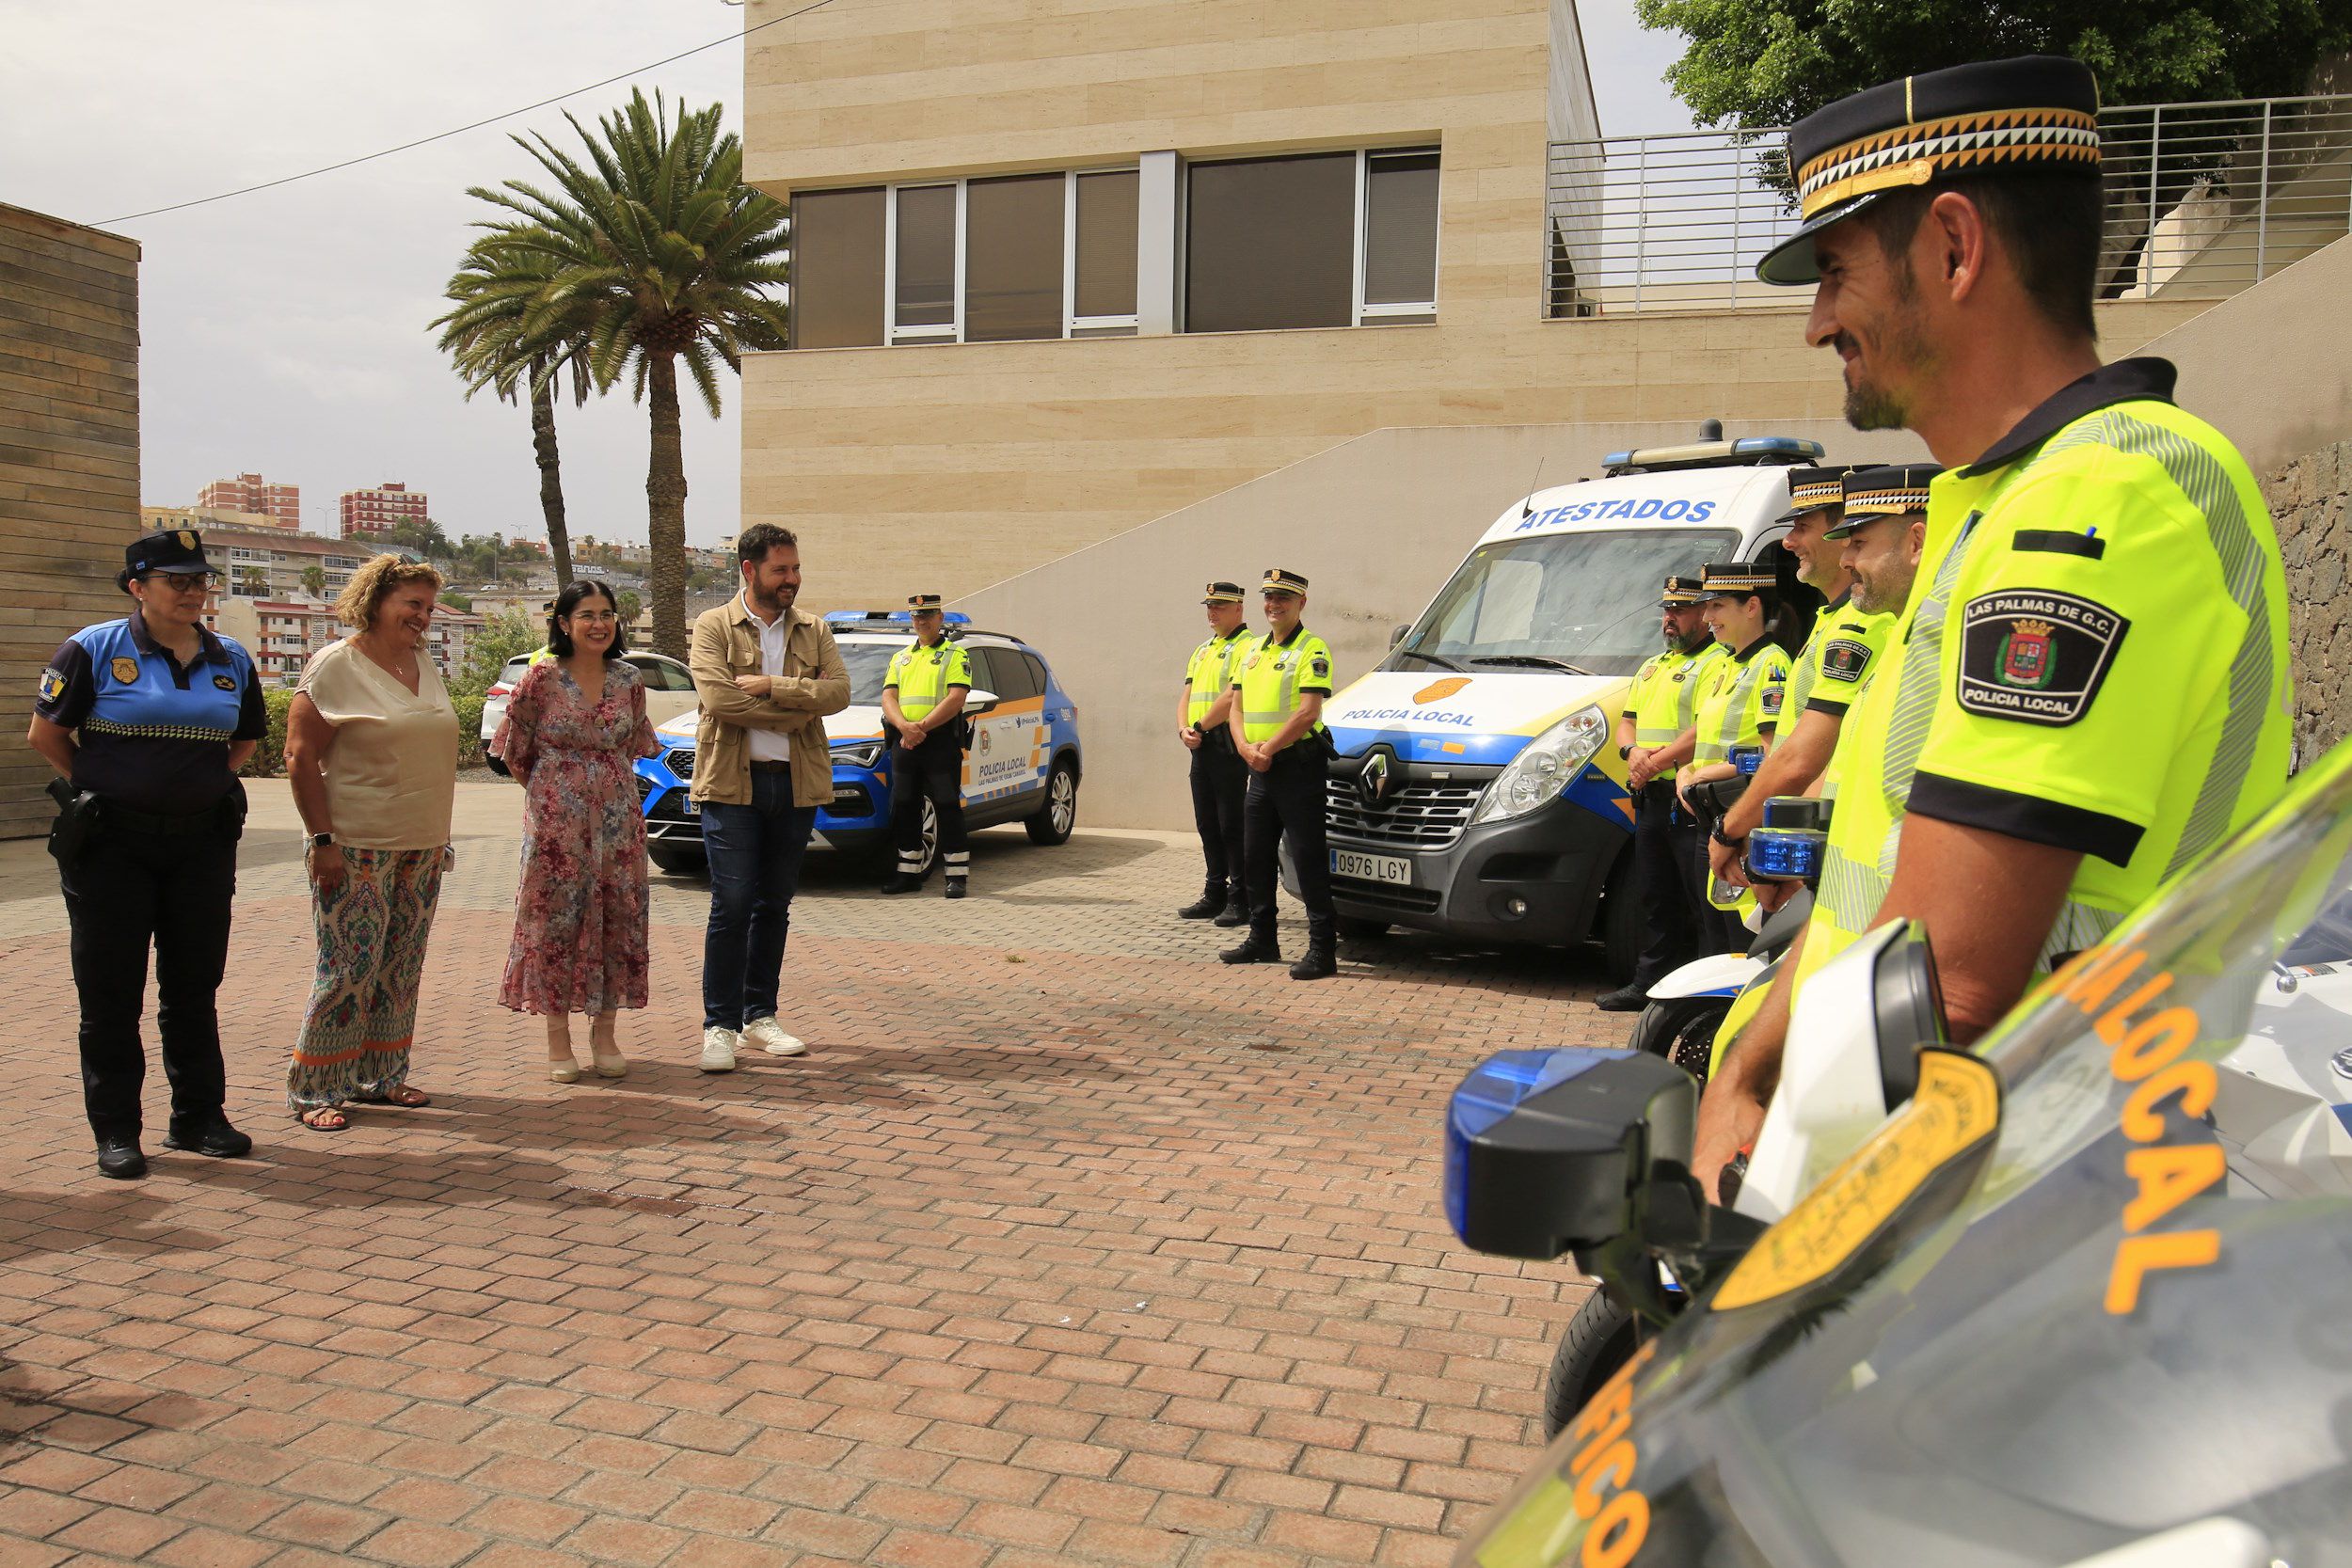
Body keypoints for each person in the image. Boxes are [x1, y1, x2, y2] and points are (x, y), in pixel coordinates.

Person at [1693, 55, 2293, 1198]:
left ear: (1955, 248)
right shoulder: (1999, 502)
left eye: (1832, 273)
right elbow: (1876, 900)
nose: (1818, 322)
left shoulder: (2101, 505)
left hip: (2033, 1214)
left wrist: (1767, 1204)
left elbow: (1947, 991)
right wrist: (1743, 1070)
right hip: (1978, 1185)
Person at [27, 530, 262, 1179]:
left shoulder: (231, 657)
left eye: (200, 580)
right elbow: (46, 733)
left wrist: (199, 783)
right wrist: (103, 787)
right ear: (137, 585)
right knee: (110, 993)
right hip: (112, 847)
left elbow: (243, 740)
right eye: (176, 580)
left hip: (200, 845)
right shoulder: (93, 649)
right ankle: (116, 1130)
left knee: (193, 986)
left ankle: (198, 1116)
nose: (193, 592)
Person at [282, 556, 460, 1132]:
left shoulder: (422, 661)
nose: (422, 617)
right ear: (375, 600)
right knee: (349, 968)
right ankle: (315, 1089)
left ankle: (379, 1076)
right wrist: (321, 839)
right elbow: (299, 755)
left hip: (423, 843)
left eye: (429, 607)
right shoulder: (336, 664)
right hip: (356, 844)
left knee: (401, 964)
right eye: (412, 604)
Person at [688, 524, 850, 1074]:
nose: (792, 580)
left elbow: (842, 693)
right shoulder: (713, 626)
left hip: (795, 784)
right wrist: (802, 709)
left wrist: (772, 686)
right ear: (749, 570)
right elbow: (718, 699)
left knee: (773, 905)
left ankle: (761, 1017)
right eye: (781, 570)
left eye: (796, 568)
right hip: (732, 785)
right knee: (731, 905)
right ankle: (720, 1026)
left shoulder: (814, 629)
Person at [493, 578, 661, 1082]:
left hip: (618, 823)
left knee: (616, 917)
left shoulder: (630, 679)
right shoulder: (539, 680)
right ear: (564, 624)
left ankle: (605, 1032)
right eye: (586, 614)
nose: (599, 624)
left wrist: (601, 790)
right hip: (555, 829)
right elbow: (514, 752)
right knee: (555, 921)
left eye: (607, 614)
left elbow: (636, 744)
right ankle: (557, 1038)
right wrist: (555, 796)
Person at [1708, 464, 1899, 899]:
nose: (1789, 542)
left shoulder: (1861, 623)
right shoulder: (1830, 617)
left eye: (1803, 526)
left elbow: (1807, 758)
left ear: (1843, 535)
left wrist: (1733, 831)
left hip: (1833, 852)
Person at [1597, 574, 1717, 1011]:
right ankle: (1648, 984)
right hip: (1652, 798)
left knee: (1701, 901)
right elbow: (1627, 720)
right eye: (1667, 611)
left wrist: (1656, 761)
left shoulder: (1717, 662)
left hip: (1690, 801)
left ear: (1705, 613)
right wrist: (1631, 752)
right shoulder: (1653, 665)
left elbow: (1706, 726)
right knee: (1654, 896)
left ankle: (1706, 990)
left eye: (1680, 611)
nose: (1670, 620)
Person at [1221, 568, 1339, 981]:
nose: (1274, 605)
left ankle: (1323, 951)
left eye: (1283, 599)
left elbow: (1309, 712)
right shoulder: (1252, 649)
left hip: (1297, 767)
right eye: (1269, 598)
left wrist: (1267, 750)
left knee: (1307, 859)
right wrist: (1244, 748)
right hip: (1259, 766)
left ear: (1301, 603)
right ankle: (1263, 939)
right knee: (1255, 855)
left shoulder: (1313, 649)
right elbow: (1235, 706)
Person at [1675, 561, 1791, 955]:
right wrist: (1687, 772)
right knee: (1711, 935)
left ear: (1752, 606)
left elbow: (1773, 754)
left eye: (1718, 606)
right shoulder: (1725, 663)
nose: (1707, 617)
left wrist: (1704, 773)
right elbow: (1708, 739)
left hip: (1737, 818)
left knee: (1739, 941)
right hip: (1707, 816)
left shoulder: (1771, 664)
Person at [879, 595, 974, 899]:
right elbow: (888, 697)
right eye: (917, 616)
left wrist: (920, 728)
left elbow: (956, 698)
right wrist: (905, 728)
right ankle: (908, 874)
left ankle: (956, 876)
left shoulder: (954, 654)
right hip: (905, 742)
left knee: (946, 804)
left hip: (939, 742)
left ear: (940, 617)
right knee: (905, 805)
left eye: (928, 615)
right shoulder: (901, 657)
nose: (922, 621)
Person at [1176, 581, 1254, 925]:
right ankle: (1214, 893)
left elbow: (1230, 698)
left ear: (1238, 608)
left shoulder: (1248, 646)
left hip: (1225, 740)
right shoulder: (1203, 649)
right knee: (1207, 823)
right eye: (1209, 605)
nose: (1212, 611)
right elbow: (1187, 693)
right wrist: (1185, 728)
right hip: (1201, 741)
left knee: (1231, 824)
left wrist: (1201, 726)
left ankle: (1241, 897)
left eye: (1220, 605)